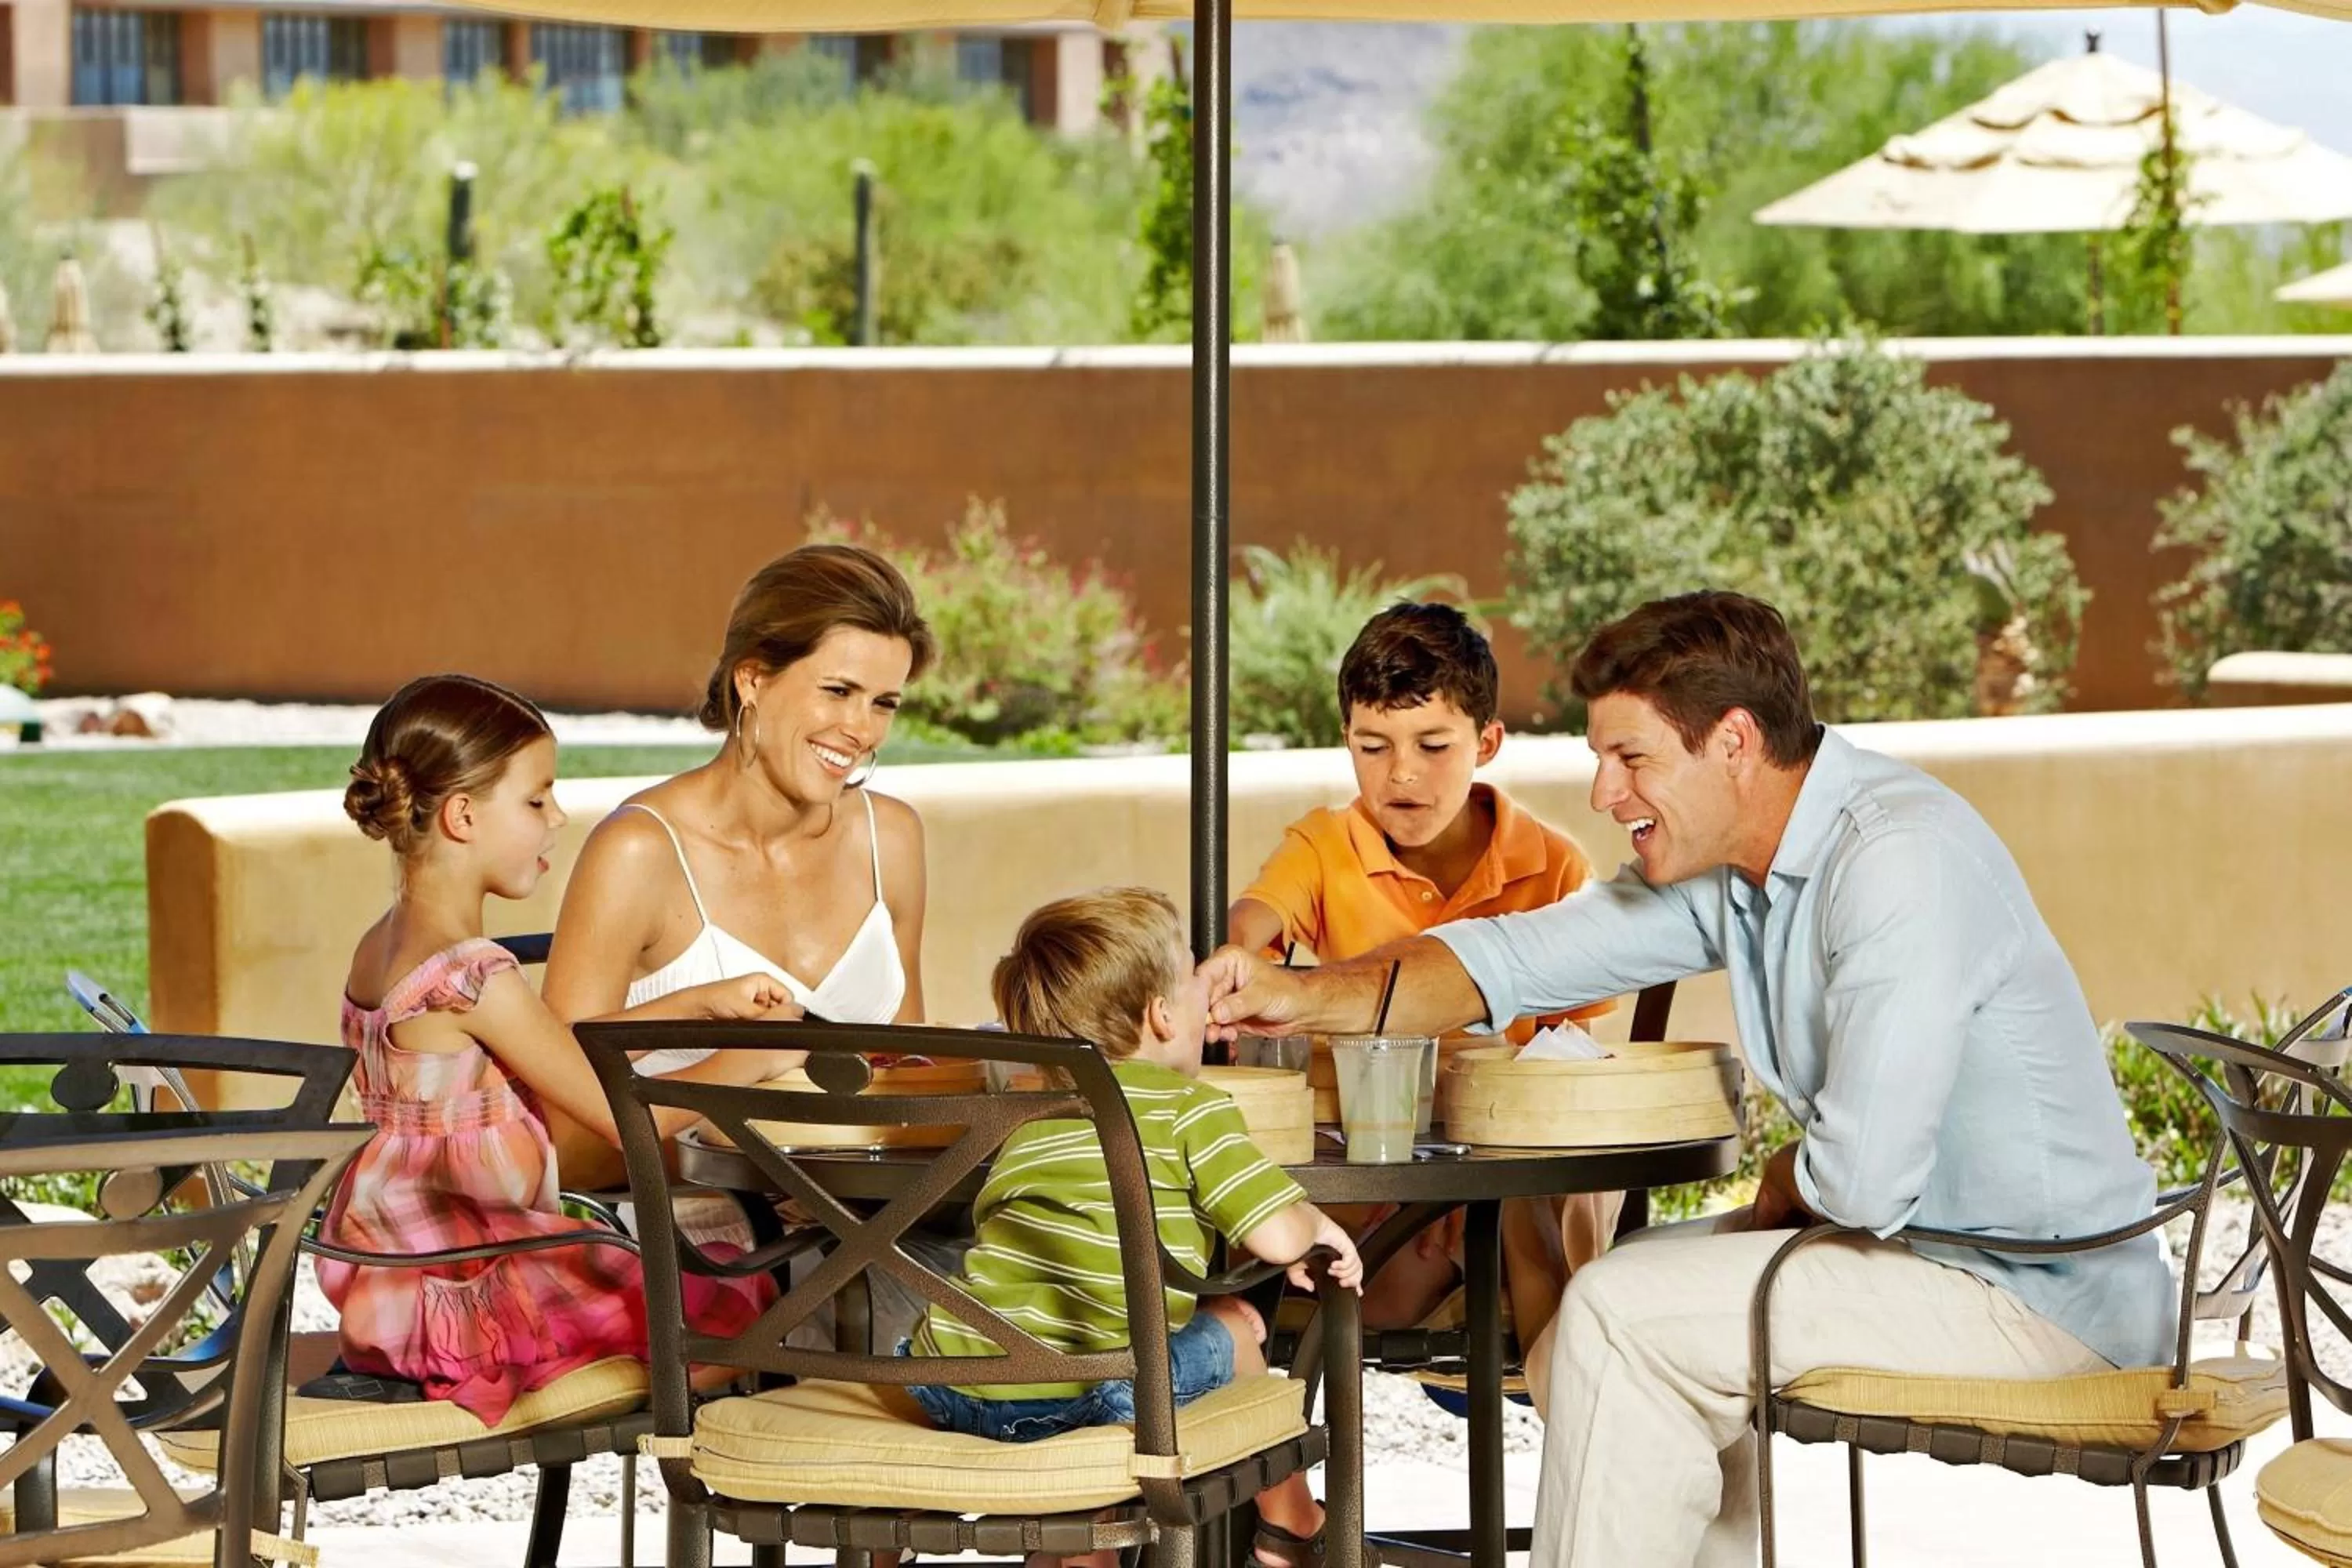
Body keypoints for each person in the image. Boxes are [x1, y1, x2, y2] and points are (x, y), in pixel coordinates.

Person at [1198, 593, 2174, 1568]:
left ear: (1735, 742)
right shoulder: (1739, 865)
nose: (1602, 791)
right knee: (1630, 1304)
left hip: (2034, 1296)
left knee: (1624, 1320)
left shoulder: (1894, 862)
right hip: (1929, 1256)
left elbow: (1865, 1177)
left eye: (1630, 758)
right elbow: (1513, 957)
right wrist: (1295, 993)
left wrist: (1791, 1177)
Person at [326, 673, 799, 1422]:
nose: (559, 817)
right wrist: (750, 1061)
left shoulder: (382, 947)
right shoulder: (476, 976)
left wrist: (694, 1005)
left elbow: (542, 1055)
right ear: (462, 816)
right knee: (748, 1309)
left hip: (393, 1293)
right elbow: (627, 1127)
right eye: (537, 798)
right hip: (476, 1298)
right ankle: (718, 1484)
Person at [906, 888, 1365, 1568]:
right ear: (1160, 1015)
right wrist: (1318, 1225)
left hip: (952, 1386)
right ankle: (1291, 1524)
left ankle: (1076, 1549)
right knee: (1236, 1325)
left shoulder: (1025, 1115)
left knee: (1102, 1363)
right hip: (1087, 1395)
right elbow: (1276, 1237)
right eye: (1190, 980)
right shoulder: (1188, 1106)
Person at [1227, 601, 1616, 1362]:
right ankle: (1579, 1383)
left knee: (1522, 1180)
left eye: (1433, 744)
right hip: (1378, 1220)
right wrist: (1238, 954)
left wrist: (1473, 1178)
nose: (1401, 772)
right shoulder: (1326, 845)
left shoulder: (1556, 865)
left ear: (1490, 741)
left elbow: (1570, 1061)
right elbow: (1254, 922)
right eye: (1372, 746)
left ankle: (1578, 1384)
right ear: (1346, 741)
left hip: (1514, 1195)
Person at [543, 542, 936, 1187]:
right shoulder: (639, 854)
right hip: (692, 1250)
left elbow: (910, 1077)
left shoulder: (890, 838)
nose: (861, 729)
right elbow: (561, 1145)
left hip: (862, 1227)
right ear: (752, 679)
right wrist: (758, 1140)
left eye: (883, 703)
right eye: (838, 691)